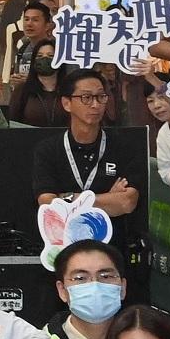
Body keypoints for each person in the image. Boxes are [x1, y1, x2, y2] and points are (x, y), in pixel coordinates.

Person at [30, 68, 144, 254]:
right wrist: (107, 199)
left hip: (112, 248)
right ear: (67, 103)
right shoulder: (48, 149)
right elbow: (48, 203)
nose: (95, 105)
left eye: (101, 97)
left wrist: (67, 199)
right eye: (86, 98)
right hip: (63, 248)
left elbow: (126, 202)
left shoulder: (124, 147)